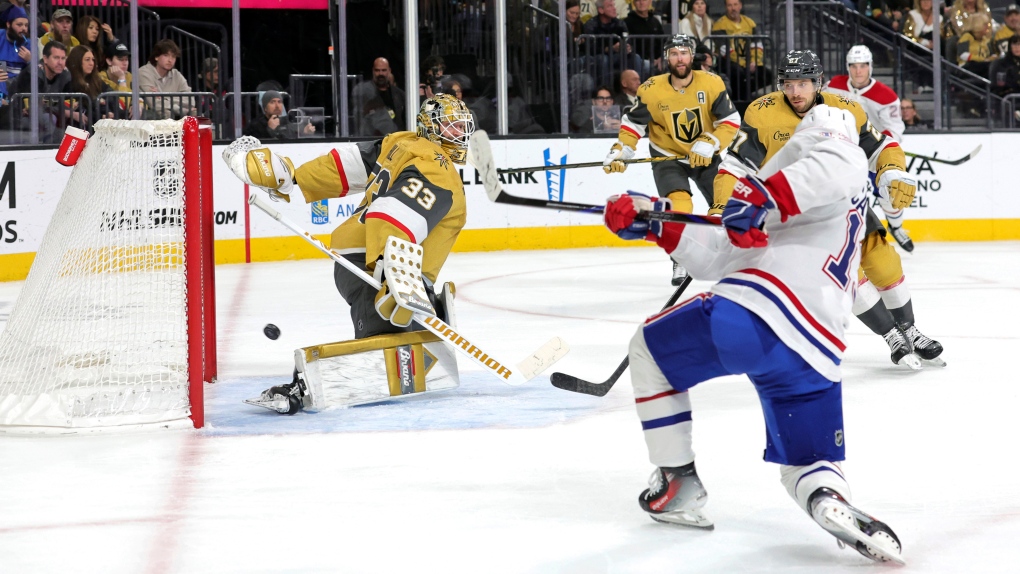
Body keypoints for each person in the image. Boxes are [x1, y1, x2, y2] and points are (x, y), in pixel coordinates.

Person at [602, 104, 904, 565]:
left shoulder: (832, 157)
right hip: (817, 350)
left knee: (649, 352)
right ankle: (828, 500)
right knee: (805, 463)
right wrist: (658, 221)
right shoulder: (802, 198)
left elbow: (834, 162)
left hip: (754, 311)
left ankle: (677, 482)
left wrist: (765, 196)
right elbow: (718, 255)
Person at [224, 93, 475, 414]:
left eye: (462, 127)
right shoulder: (438, 168)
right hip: (377, 262)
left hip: (359, 253)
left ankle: (419, 317)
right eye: (451, 127)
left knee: (412, 345)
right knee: (385, 354)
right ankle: (302, 387)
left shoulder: (401, 142)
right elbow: (395, 213)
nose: (460, 135)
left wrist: (295, 178)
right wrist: (397, 272)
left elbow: (344, 167)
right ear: (431, 128)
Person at [714, 49, 944, 369]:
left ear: (818, 83)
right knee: (847, 274)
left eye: (803, 83)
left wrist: (892, 171)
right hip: (798, 215)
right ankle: (891, 335)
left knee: (883, 259)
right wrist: (721, 207)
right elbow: (735, 167)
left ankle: (910, 330)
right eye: (788, 84)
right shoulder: (761, 112)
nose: (795, 92)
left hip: (846, 202)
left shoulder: (847, 108)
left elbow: (882, 147)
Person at [603, 33, 740, 286]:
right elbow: (633, 124)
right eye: (674, 53)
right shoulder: (652, 89)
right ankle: (681, 257)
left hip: (705, 156)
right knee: (680, 205)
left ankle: (732, 256)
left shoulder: (711, 83)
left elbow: (730, 121)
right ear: (666, 57)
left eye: (684, 53)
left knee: (725, 205)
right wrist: (622, 149)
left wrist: (711, 142)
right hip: (667, 156)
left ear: (692, 56)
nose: (680, 58)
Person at [824, 45, 913, 252]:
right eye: (854, 66)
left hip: (872, 151)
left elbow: (895, 129)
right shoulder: (833, 86)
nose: (858, 71)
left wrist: (879, 143)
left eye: (863, 66)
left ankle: (896, 227)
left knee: (890, 193)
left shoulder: (886, 96)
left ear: (870, 67)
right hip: (843, 151)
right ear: (848, 67)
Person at [8, 40, 71, 142]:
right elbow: (32, 109)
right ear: (45, 59)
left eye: (63, 58)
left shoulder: (65, 75)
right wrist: (64, 112)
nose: (60, 62)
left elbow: (67, 103)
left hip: (43, 115)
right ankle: (46, 154)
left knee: (70, 126)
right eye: (56, 58)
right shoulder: (33, 73)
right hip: (17, 118)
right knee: (49, 119)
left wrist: (71, 112)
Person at [711, 0, 770, 102]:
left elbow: (757, 45)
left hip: (748, 62)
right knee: (738, 72)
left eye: (735, 4)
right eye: (730, 5)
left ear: (740, 6)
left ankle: (742, 94)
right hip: (728, 62)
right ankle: (741, 99)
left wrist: (754, 61)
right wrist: (744, 64)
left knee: (767, 75)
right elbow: (724, 49)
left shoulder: (749, 23)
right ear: (726, 7)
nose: (733, 8)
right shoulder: (719, 25)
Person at [137, 39, 195, 119]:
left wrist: (162, 96)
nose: (170, 60)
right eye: (166, 55)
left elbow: (190, 101)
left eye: (173, 57)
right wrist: (179, 109)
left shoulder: (176, 74)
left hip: (173, 116)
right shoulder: (144, 73)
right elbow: (154, 103)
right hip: (151, 118)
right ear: (156, 57)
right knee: (165, 112)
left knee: (195, 114)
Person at [351, 56, 406, 137]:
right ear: (373, 71)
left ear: (389, 71)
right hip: (369, 140)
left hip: (395, 141)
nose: (381, 74)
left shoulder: (399, 94)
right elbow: (356, 119)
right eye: (377, 70)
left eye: (384, 70)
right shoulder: (362, 92)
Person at [66, 45, 110, 130]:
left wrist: (109, 112)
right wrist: (101, 115)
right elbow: (83, 106)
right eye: (87, 60)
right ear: (77, 61)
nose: (91, 63)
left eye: (93, 60)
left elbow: (110, 92)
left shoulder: (96, 80)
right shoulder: (70, 81)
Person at [243, 89, 315, 139]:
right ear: (265, 108)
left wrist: (305, 133)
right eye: (272, 102)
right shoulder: (255, 125)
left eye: (279, 102)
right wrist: (269, 130)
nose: (277, 106)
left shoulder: (288, 121)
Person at [624, 0, 665, 76]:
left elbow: (663, 43)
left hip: (657, 60)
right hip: (638, 60)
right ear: (634, 3)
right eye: (638, 0)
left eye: (644, 0)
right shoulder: (627, 22)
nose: (641, 2)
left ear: (650, 2)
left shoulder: (655, 21)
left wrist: (661, 57)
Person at [0, 6, 31, 95]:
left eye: (26, 25)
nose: (24, 29)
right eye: (19, 25)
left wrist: (30, 61)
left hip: (19, 89)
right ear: (8, 24)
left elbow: (38, 73)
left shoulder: (29, 44)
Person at [98, 42, 132, 119]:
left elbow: (139, 96)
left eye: (126, 59)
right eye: (120, 59)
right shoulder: (100, 79)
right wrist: (122, 79)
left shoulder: (129, 76)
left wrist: (139, 104)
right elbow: (122, 106)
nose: (125, 63)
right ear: (109, 61)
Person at [990, 34, 1020, 98]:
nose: (1017, 47)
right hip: (1007, 99)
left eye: (1019, 44)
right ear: (1010, 46)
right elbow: (997, 86)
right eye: (1014, 44)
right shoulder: (1000, 63)